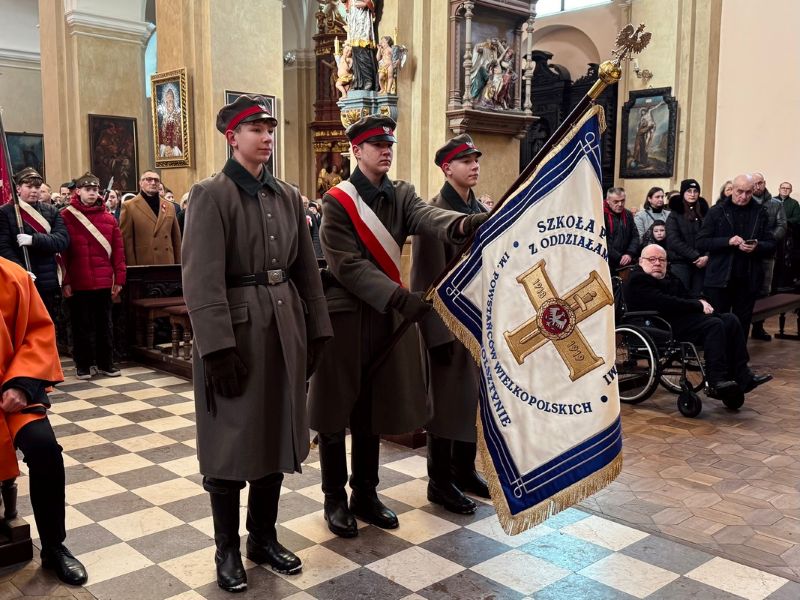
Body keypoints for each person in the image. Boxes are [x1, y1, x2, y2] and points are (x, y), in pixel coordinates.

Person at [307, 115, 488, 539]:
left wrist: (465, 223)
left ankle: (365, 494)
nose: (385, 151)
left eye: (389, 145)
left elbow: (429, 218)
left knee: (371, 410)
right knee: (335, 413)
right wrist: (398, 297)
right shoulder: (337, 201)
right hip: (345, 317)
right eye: (376, 145)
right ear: (357, 151)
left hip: (384, 318)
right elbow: (346, 265)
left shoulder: (402, 194)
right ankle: (334, 499)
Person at [182, 95, 332, 593]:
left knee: (274, 433)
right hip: (237, 331)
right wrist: (216, 348)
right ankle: (226, 548)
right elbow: (200, 279)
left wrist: (318, 328)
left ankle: (262, 538)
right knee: (228, 442)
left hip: (284, 326)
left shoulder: (288, 195)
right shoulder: (211, 194)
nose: (267, 137)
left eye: (270, 130)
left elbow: (306, 269)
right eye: (256, 130)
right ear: (233, 137)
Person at [411, 134, 490, 516]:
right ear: (447, 168)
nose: (474, 166)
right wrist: (436, 335)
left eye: (476, 160)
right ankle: (439, 481)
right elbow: (425, 280)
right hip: (449, 325)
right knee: (445, 406)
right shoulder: (434, 213)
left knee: (470, 402)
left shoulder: (480, 209)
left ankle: (464, 470)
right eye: (466, 161)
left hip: (477, 323)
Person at [0, 257, 88, 586]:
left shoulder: (12, 276)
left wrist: (21, 385)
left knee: (44, 449)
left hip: (9, 391)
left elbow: (37, 334)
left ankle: (53, 546)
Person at [624, 244, 772, 398]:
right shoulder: (638, 280)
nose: (657, 263)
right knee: (714, 325)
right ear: (641, 261)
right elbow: (664, 302)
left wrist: (701, 299)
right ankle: (716, 380)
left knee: (731, 319)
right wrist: (697, 305)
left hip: (679, 319)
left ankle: (742, 375)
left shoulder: (669, 276)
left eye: (662, 260)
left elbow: (686, 295)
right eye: (652, 259)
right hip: (659, 324)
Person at [61, 173, 126, 380]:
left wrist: (119, 279)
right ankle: (83, 364)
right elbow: (62, 254)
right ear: (78, 191)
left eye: (95, 190)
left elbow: (118, 252)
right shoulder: (66, 216)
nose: (92, 193)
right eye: (88, 190)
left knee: (104, 324)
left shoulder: (109, 218)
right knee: (80, 326)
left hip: (104, 280)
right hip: (78, 280)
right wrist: (65, 281)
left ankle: (106, 363)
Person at [696, 173, 776, 337]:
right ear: (732, 189)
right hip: (720, 278)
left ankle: (739, 354)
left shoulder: (760, 212)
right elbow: (701, 242)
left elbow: (771, 244)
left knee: (742, 324)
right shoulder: (717, 211)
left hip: (747, 278)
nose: (744, 196)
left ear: (753, 191)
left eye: (748, 192)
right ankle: (719, 354)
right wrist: (728, 241)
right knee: (718, 323)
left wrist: (757, 246)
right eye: (740, 191)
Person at [0, 167, 69, 322]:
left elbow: (62, 241)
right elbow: (3, 248)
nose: (34, 191)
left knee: (48, 323)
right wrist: (20, 271)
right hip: (20, 279)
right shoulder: (5, 212)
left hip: (48, 280)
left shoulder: (52, 211)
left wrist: (34, 239)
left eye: (37, 187)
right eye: (29, 186)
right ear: (18, 188)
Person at [119, 171, 182, 265]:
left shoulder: (169, 206)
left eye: (156, 180)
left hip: (168, 262)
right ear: (140, 183)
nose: (153, 182)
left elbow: (176, 238)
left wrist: (178, 264)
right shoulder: (129, 206)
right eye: (149, 179)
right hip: (144, 263)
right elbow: (126, 241)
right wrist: (132, 268)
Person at [666, 179, 709, 295]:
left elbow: (711, 236)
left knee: (698, 296)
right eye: (689, 191)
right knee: (681, 295)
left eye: (695, 191)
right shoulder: (674, 214)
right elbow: (673, 240)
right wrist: (695, 256)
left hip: (701, 263)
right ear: (683, 193)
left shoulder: (705, 213)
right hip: (681, 262)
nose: (692, 194)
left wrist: (706, 256)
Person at [603, 186, 640, 273]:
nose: (620, 204)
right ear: (608, 200)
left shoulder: (628, 214)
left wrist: (629, 253)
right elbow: (601, 240)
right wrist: (618, 257)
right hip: (606, 261)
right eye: (616, 201)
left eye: (622, 201)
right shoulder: (601, 215)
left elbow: (635, 236)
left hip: (626, 260)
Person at [345, 0, 379, 91]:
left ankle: (368, 80)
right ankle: (359, 81)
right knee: (355, 49)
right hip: (353, 18)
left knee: (362, 48)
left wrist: (364, 3)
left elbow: (370, 2)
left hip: (362, 17)